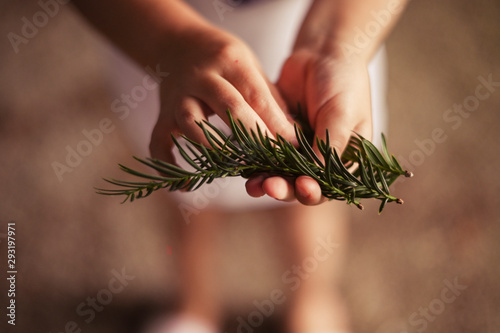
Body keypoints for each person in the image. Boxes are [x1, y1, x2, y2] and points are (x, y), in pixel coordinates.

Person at [72, 0, 408, 332]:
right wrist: (172, 45)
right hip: (161, 40)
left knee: (311, 204)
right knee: (188, 195)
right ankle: (195, 306)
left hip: (313, 33)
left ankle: (313, 300)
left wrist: (338, 43)